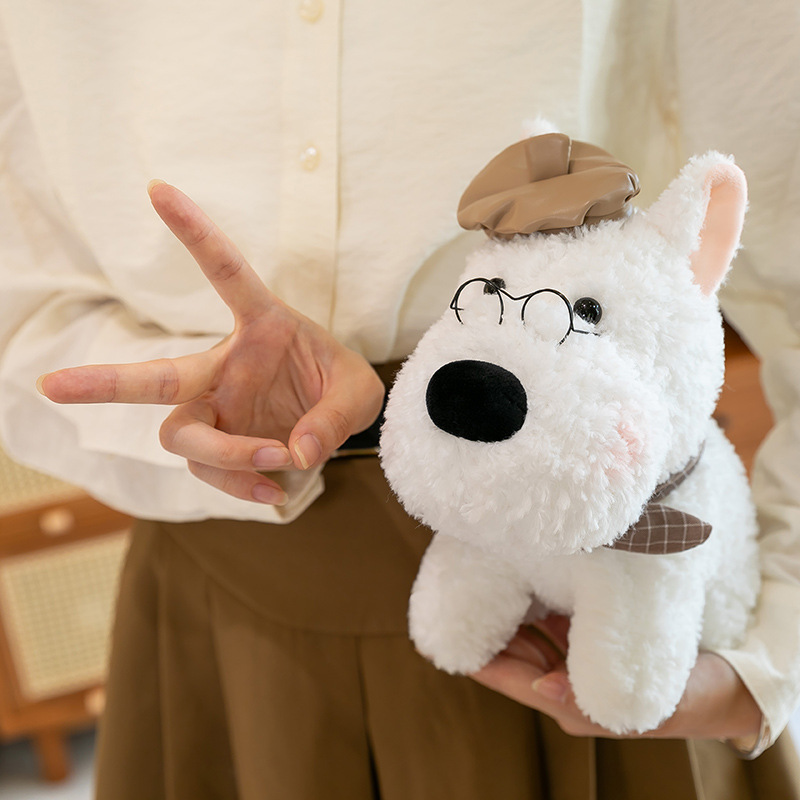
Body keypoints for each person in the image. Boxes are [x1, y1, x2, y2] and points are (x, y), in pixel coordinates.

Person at [0, 1, 798, 798]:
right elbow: (22, 301)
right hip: (225, 593)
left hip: (595, 603)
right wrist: (212, 412)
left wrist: (772, 655)